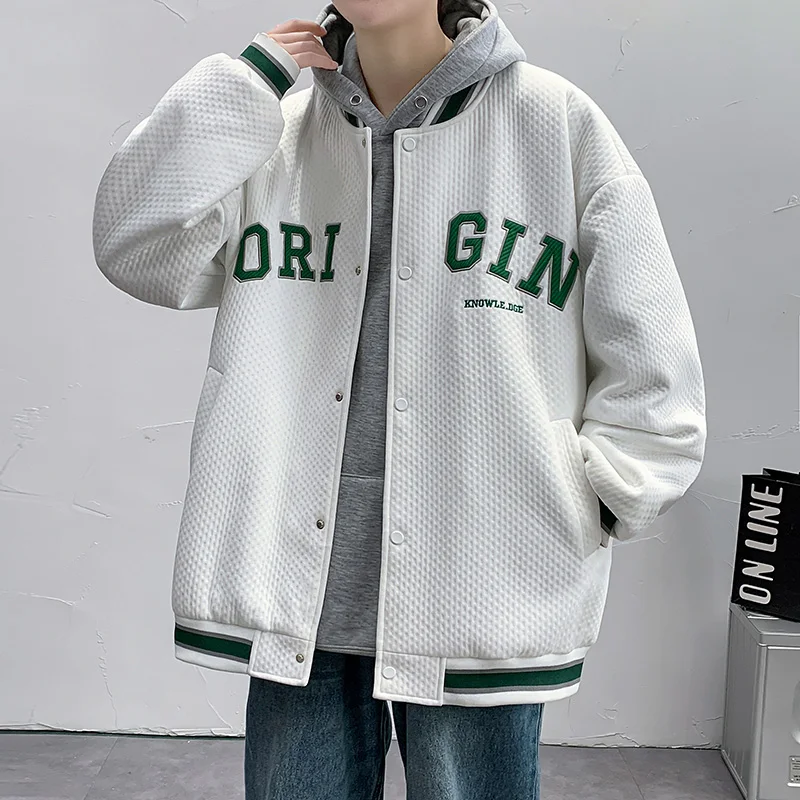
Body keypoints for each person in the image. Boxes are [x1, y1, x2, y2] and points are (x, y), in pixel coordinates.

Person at [92, 0, 707, 797]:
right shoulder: (271, 133)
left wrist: (591, 501)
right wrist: (243, 84)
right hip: (298, 587)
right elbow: (134, 246)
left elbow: (653, 363)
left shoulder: (555, 125)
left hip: (485, 581)